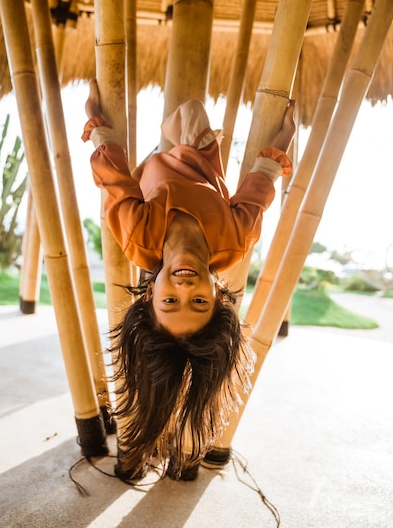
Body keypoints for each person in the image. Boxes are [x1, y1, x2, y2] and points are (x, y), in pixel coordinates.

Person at [82, 81, 295, 481]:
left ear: (149, 294)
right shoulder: (233, 241)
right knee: (192, 107)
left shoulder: (138, 235)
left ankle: (160, 146)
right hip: (202, 163)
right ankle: (176, 138)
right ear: (217, 296)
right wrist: (284, 138)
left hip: (149, 171)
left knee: (153, 147)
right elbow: (259, 188)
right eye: (199, 303)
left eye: (170, 302)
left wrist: (95, 117)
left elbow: (111, 174)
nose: (185, 289)